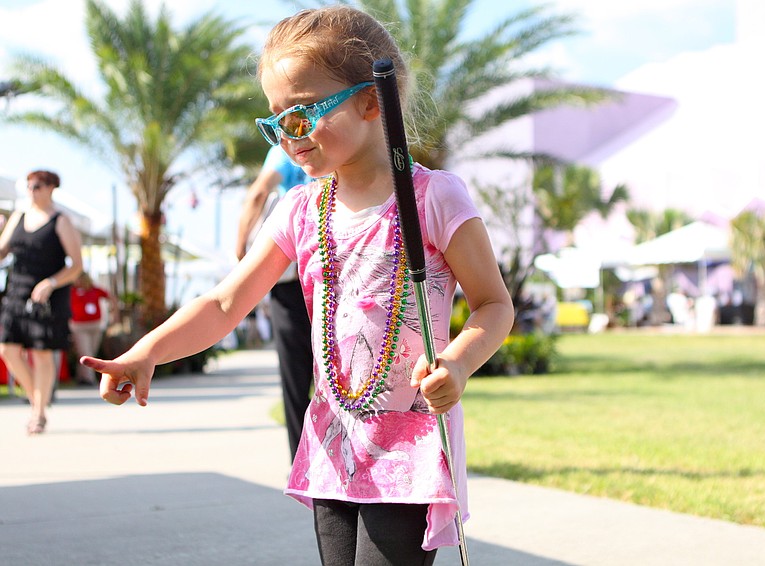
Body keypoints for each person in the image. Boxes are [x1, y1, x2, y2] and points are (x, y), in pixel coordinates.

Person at [83, 6, 513, 564]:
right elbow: (224, 303)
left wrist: (457, 362)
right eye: (276, 119)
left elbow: (493, 304)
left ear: (370, 101)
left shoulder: (433, 197)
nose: (289, 135)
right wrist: (146, 353)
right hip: (334, 439)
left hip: (409, 441)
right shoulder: (299, 210)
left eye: (303, 111)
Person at [235, 145, 313, 463]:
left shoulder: (287, 147)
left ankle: (302, 466)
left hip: (292, 276)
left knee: (295, 379)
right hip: (335, 271)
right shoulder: (337, 137)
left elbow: (259, 193)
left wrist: (241, 246)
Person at [0, 170, 83, 435]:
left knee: (42, 353)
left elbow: (76, 266)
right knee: (7, 350)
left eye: (36, 186)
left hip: (47, 297)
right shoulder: (18, 217)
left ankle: (38, 413)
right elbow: (1, 253)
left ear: (50, 188)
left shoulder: (61, 221)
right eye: (28, 186)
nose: (31, 191)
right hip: (16, 293)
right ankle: (37, 400)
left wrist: (51, 282)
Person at [70, 271, 115, 385]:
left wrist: (113, 313)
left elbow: (111, 297)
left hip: (95, 325)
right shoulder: (72, 291)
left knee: (92, 352)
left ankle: (81, 377)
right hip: (79, 326)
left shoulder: (95, 290)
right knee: (85, 352)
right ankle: (89, 379)